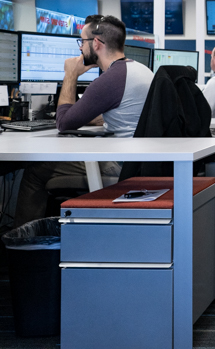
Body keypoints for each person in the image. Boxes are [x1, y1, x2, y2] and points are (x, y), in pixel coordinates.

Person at [15, 15, 154, 226]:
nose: (80, 48)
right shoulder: (139, 69)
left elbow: (63, 122)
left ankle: (22, 248)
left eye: (82, 42)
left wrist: (71, 74)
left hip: (121, 164)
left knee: (35, 171)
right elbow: (124, 113)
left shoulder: (109, 80)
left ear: (96, 44)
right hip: (140, 158)